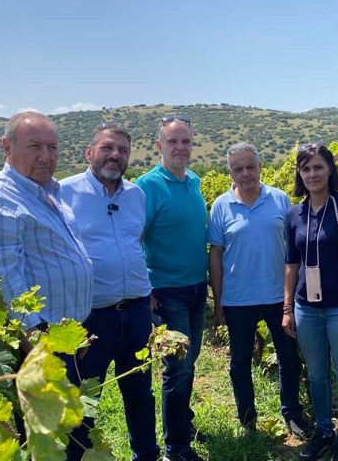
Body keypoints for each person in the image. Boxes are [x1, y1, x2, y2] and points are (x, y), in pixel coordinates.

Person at [0, 111, 94, 460]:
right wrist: (39, 342)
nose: (46, 156)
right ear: (6, 146)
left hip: (62, 338)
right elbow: (3, 278)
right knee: (45, 441)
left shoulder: (48, 191)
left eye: (52, 147)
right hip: (37, 345)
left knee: (69, 431)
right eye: (34, 146)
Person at [60, 122, 159, 461]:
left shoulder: (136, 195)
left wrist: (147, 293)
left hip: (136, 312)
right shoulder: (63, 193)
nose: (115, 155)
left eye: (122, 150)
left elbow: (136, 243)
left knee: (141, 392)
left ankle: (146, 455)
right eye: (107, 147)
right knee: (84, 399)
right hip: (91, 318)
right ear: (89, 152)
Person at [207, 143, 310, 438]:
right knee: (239, 361)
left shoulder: (279, 199)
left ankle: (291, 412)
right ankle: (247, 419)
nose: (246, 174)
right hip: (238, 298)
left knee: (288, 357)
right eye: (238, 169)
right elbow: (215, 255)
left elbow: (293, 250)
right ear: (230, 172)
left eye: (250, 167)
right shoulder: (221, 206)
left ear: (260, 167)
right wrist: (218, 300)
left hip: (279, 295)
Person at [282, 142, 338, 461]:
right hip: (306, 308)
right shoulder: (294, 214)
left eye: (318, 167)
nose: (312, 174)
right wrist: (287, 307)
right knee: (317, 374)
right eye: (306, 169)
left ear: (330, 169)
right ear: (300, 174)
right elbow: (291, 264)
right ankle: (323, 431)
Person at [135, 116, 208, 461]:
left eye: (186, 141)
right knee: (177, 367)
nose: (180, 147)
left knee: (189, 361)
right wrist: (146, 289)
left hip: (197, 288)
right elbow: (134, 239)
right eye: (172, 142)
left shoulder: (193, 180)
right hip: (166, 291)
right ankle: (175, 448)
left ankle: (182, 422)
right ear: (159, 146)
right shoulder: (147, 186)